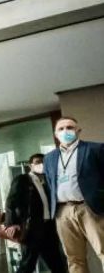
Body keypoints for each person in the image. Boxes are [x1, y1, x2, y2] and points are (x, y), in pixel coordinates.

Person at [44, 117, 104, 273]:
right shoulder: (49, 158)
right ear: (56, 134)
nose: (66, 131)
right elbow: (51, 184)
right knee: (74, 258)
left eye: (70, 127)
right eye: (61, 129)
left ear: (78, 130)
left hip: (90, 208)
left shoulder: (95, 149)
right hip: (62, 212)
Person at [3, 153, 67, 273]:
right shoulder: (23, 179)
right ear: (30, 165)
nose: (41, 165)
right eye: (37, 162)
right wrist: (11, 223)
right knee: (28, 264)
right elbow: (11, 201)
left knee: (57, 264)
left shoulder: (47, 182)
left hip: (49, 228)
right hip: (32, 228)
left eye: (43, 162)